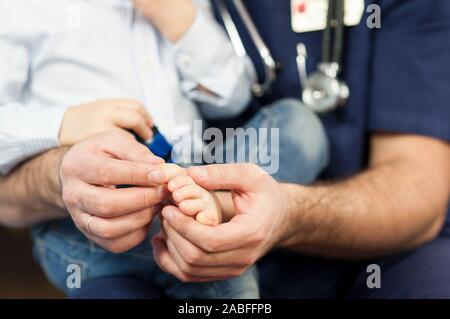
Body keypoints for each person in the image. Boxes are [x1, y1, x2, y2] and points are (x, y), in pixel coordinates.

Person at [1, 0, 448, 299]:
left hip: (202, 178)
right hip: (108, 230)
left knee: (299, 125)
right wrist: (60, 132)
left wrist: (184, 26)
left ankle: (213, 216)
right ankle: (209, 233)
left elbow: (232, 94)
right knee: (218, 278)